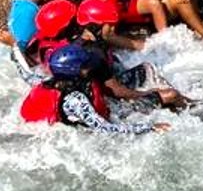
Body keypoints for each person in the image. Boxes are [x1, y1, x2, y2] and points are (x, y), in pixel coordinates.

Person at [20, 45, 168, 134]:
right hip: (59, 135)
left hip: (80, 120)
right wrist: (149, 128)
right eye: (86, 66)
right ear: (75, 72)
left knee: (146, 70)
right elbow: (105, 128)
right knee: (168, 96)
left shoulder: (46, 81)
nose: (91, 66)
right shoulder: (75, 100)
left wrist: (14, 46)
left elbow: (26, 74)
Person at [73, 0, 189, 109]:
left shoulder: (84, 42)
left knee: (146, 68)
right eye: (110, 25)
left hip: (111, 91)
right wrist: (150, 94)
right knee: (171, 95)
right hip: (115, 103)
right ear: (95, 27)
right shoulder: (95, 54)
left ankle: (182, 103)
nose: (113, 29)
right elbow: (117, 92)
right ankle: (191, 108)